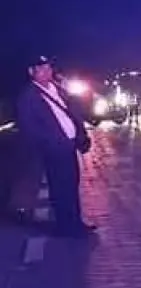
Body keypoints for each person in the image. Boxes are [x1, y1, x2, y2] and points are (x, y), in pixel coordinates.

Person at [16, 56, 95, 236]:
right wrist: (53, 142)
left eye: (48, 68)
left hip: (69, 147)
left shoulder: (58, 89)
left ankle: (75, 222)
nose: (47, 72)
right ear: (32, 72)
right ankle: (66, 227)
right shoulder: (28, 97)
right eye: (41, 69)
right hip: (54, 150)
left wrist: (79, 134)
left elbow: (72, 112)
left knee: (72, 184)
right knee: (60, 187)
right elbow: (30, 128)